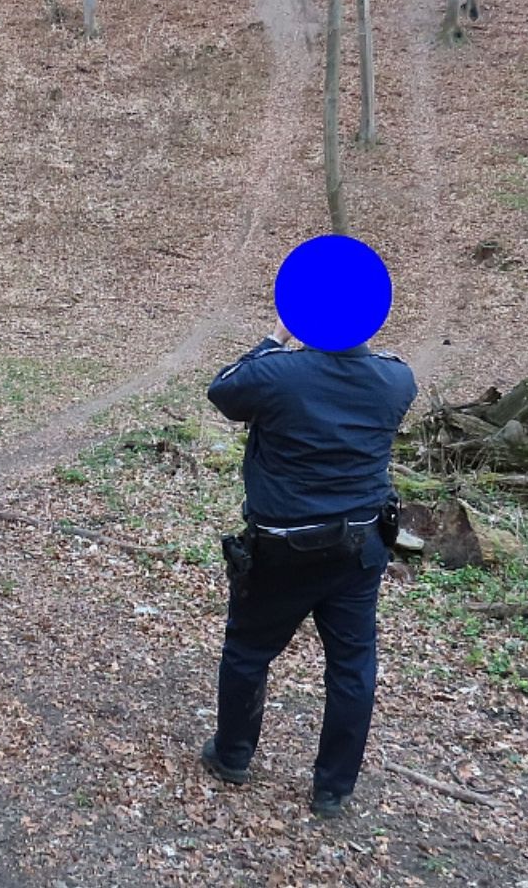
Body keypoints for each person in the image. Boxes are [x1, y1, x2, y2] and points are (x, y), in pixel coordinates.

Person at [200, 316, 417, 819]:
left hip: (282, 553)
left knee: (248, 651)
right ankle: (333, 790)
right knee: (352, 666)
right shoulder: (397, 379)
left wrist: (277, 336)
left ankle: (232, 755)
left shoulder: (277, 373)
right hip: (358, 551)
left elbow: (223, 391)